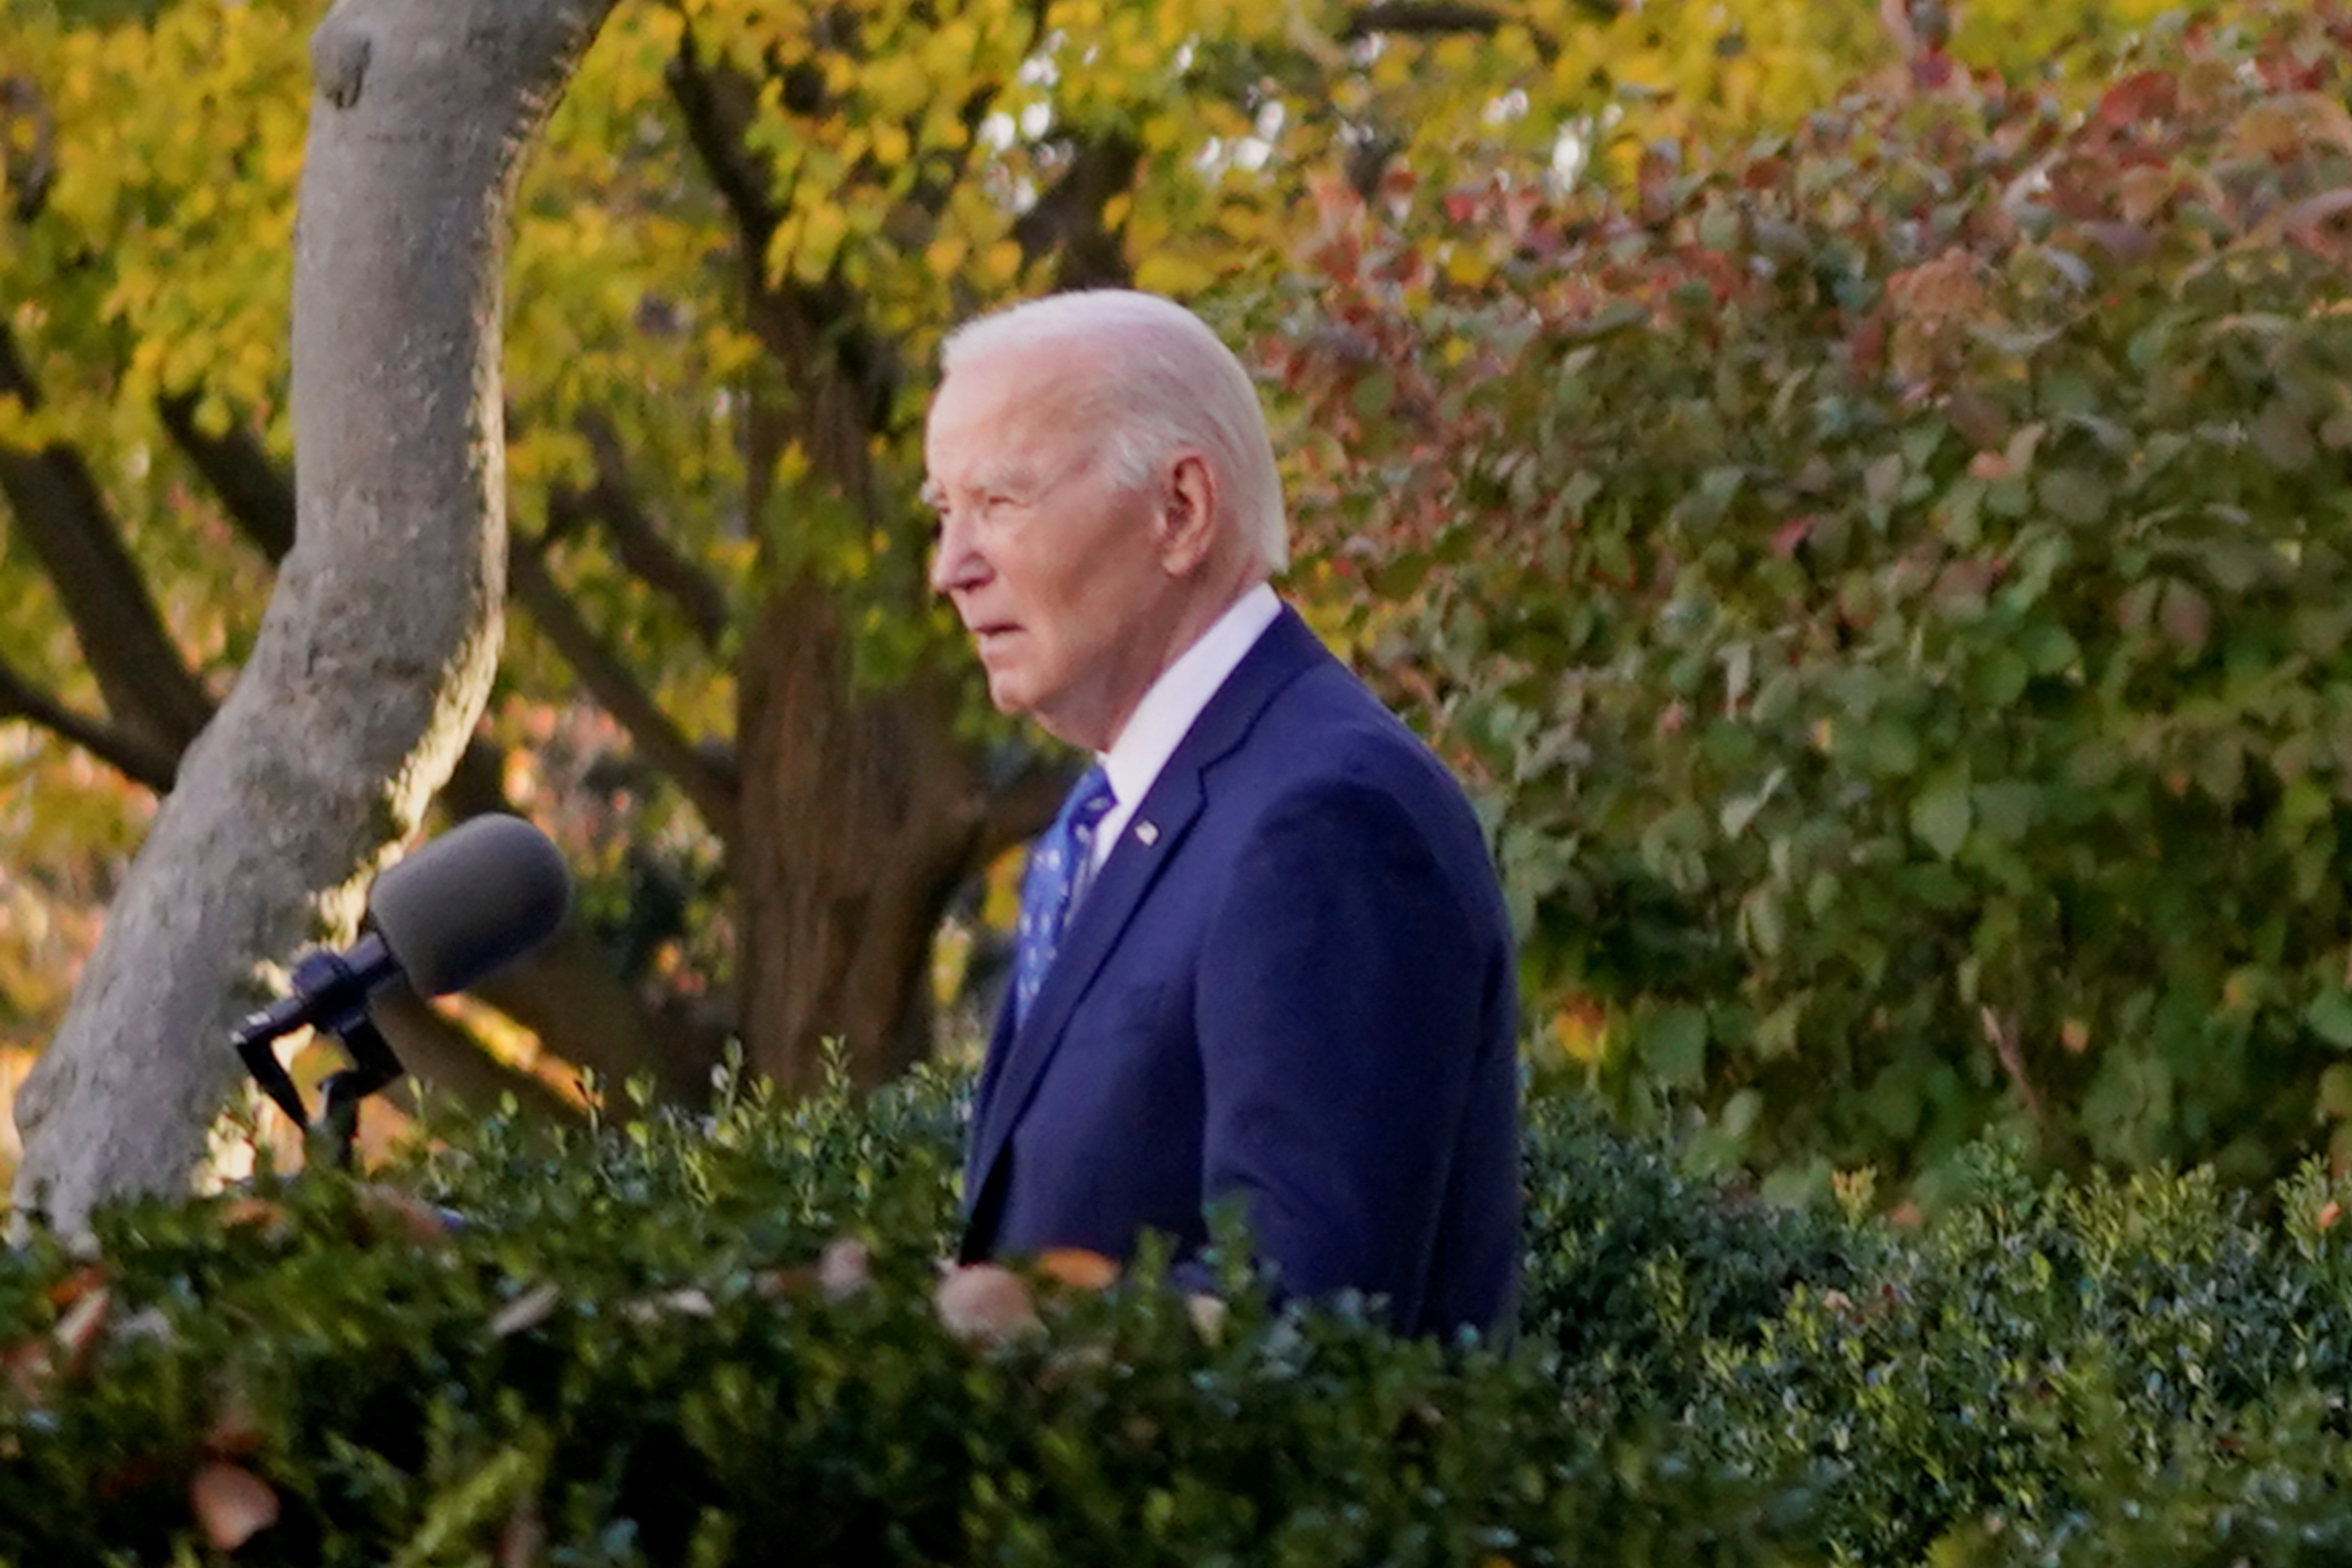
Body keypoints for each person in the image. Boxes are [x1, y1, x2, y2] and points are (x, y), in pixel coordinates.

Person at [925, 289, 1520, 1338]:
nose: (951, 569)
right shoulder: (1117, 813)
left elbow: (1313, 1329)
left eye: (1000, 503)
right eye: (942, 512)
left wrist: (985, 1328)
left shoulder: (1327, 816)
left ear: (1180, 512)